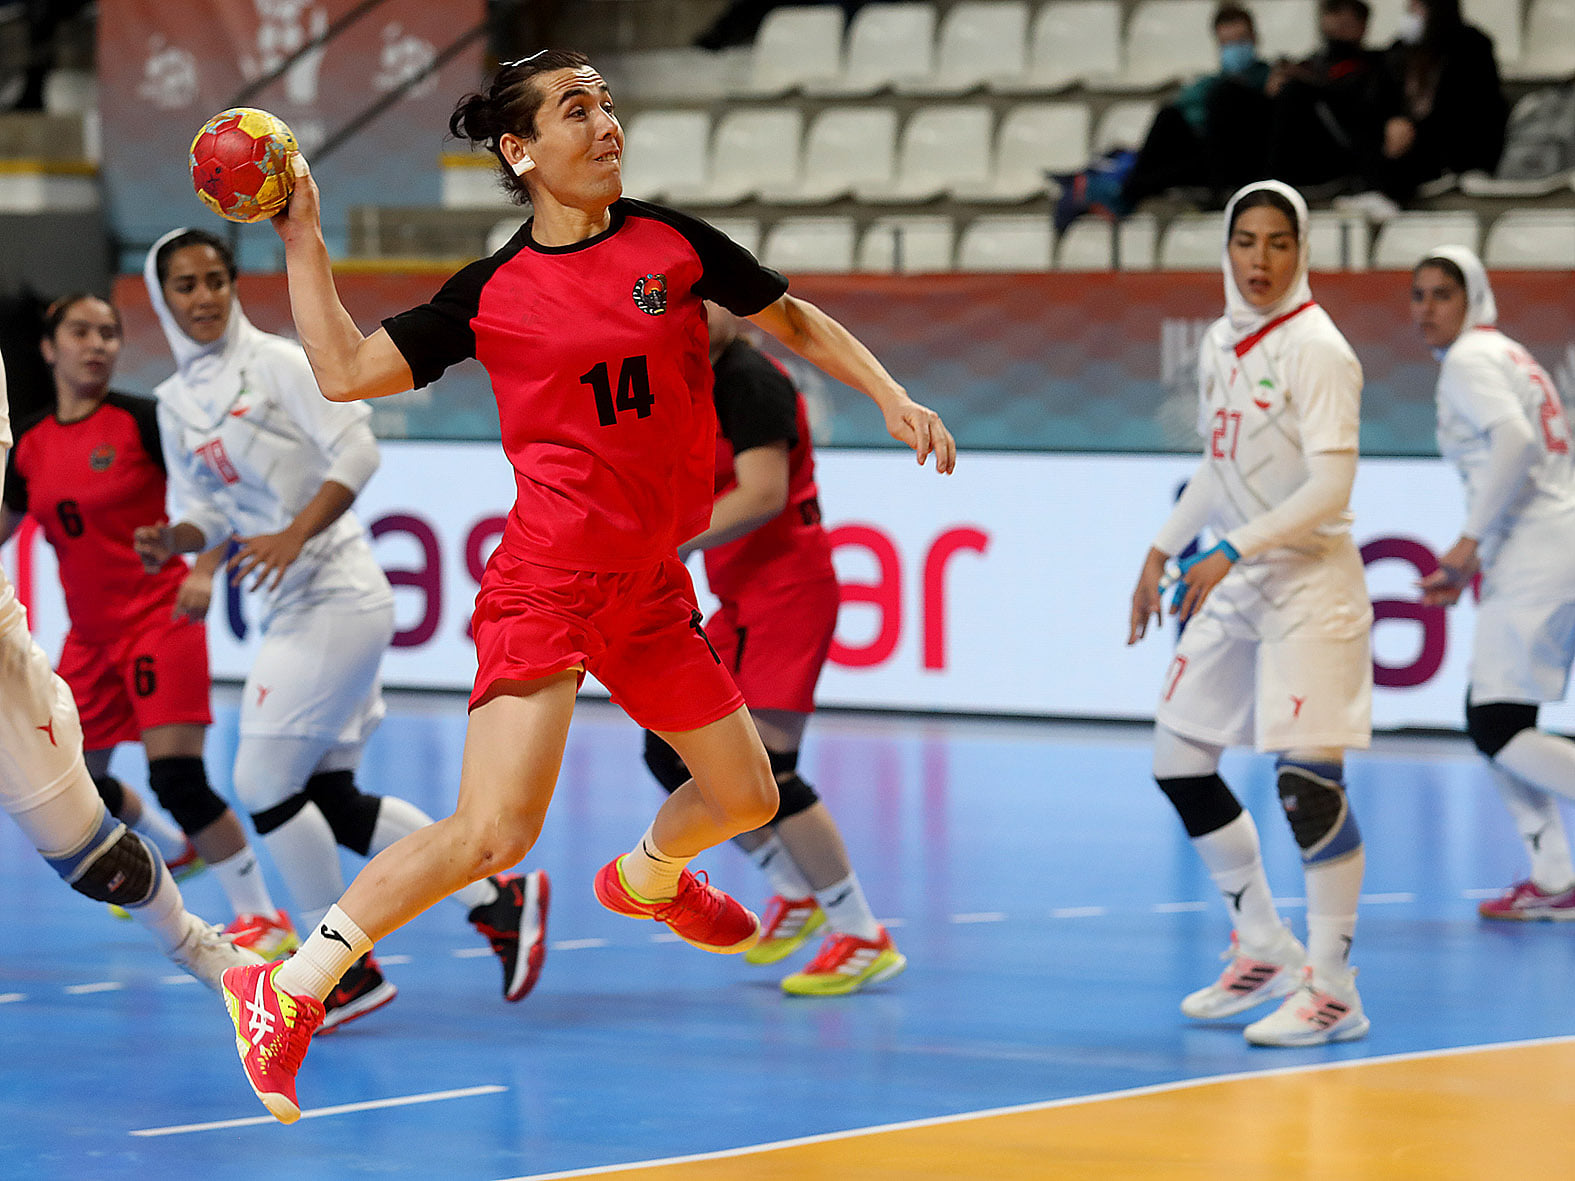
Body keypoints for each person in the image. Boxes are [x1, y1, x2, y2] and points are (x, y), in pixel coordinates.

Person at [216, 49, 954, 1124]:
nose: (607, 123)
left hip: (648, 587)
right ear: (519, 150)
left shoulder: (672, 243)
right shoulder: (492, 293)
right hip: (549, 585)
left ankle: (647, 875)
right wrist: (302, 238)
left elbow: (792, 316)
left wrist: (889, 393)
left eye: (607, 104)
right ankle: (287, 986)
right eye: (577, 109)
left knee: (748, 796)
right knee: (494, 833)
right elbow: (343, 372)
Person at [133, 228, 547, 1030]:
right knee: (329, 796)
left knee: (261, 782)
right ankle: (498, 898)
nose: (205, 295)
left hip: (339, 595)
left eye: (216, 278)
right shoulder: (174, 403)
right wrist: (177, 540)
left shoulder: (278, 363)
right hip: (292, 605)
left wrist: (294, 533)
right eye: (185, 284)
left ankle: (339, 972)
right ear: (162, 296)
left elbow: (357, 450)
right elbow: (204, 510)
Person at [1128, 180, 1372, 1047]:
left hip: (1310, 580)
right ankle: (1264, 942)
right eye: (1245, 241)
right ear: (1225, 249)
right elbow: (1218, 464)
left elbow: (1331, 486)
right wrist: (1163, 545)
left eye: (1277, 242)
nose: (1259, 259)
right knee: (1178, 759)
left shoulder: (1319, 350)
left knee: (1307, 786)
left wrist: (1228, 547)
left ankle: (1333, 989)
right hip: (1237, 576)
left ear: (1300, 251)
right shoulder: (1220, 341)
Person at [0, 292, 294, 956]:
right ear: (48, 348)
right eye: (81, 332)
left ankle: (263, 918)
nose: (97, 344)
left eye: (109, 333)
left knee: (177, 777)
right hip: (88, 637)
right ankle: (172, 850)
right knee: (77, 784)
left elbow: (221, 496)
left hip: (160, 618)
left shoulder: (143, 420)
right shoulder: (30, 442)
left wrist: (203, 569)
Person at [641, 303, 905, 997]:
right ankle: (792, 891)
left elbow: (762, 493)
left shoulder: (749, 380)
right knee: (670, 753)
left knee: (772, 774)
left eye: (706, 301)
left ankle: (860, 933)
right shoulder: (690, 378)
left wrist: (669, 542)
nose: (693, 316)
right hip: (740, 600)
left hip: (787, 594)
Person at [1411, 247, 1575, 920]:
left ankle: (1555, 875)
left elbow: (1514, 442)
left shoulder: (1469, 360)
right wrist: (1475, 559)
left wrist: (1467, 544)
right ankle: (1554, 876)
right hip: (1546, 546)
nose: (1426, 309)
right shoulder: (1507, 353)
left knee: (1494, 724)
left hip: (1537, 553)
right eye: (1418, 294)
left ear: (1471, 297)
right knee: (1500, 717)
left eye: (1442, 294)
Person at [1057, 5, 1273, 228]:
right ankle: (1123, 188)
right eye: (1227, 43)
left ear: (1255, 38)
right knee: (1169, 117)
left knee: (1189, 158)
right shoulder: (1209, 83)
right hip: (1206, 154)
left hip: (1239, 160)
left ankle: (1119, 190)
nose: (1235, 50)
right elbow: (1186, 110)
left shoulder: (1270, 79)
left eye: (1240, 41)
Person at [1347, 0, 1506, 213]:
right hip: (1405, 142)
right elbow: (1379, 101)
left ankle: (1388, 192)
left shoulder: (1472, 47)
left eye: (1417, 8)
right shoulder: (1399, 50)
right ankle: (1375, 190)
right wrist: (1392, 124)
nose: (1411, 16)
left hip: (1454, 145)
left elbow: (1471, 111)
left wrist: (1415, 129)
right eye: (1409, 9)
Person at [1265, 0, 1388, 194]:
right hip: (1304, 147)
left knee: (1295, 92)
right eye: (1333, 16)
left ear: (1362, 25)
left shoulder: (1377, 64)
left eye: (1346, 22)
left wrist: (1305, 81)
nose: (1338, 26)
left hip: (1347, 150)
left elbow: (1356, 102)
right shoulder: (1311, 64)